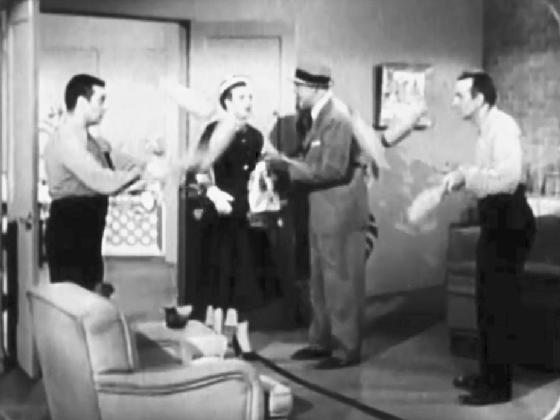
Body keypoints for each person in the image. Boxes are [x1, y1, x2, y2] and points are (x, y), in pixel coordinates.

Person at [443, 70, 535, 405]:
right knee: (486, 304)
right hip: (496, 223)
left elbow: (506, 180)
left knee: (499, 307)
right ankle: (487, 375)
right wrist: (463, 176)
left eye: (459, 96)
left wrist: (466, 176)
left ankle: (498, 387)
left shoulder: (503, 127)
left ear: (479, 98)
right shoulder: (484, 131)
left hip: (509, 224)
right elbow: (488, 177)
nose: (454, 103)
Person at [43, 74, 146, 296]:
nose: (105, 107)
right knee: (73, 302)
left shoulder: (93, 143)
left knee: (91, 297)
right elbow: (101, 180)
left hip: (89, 230)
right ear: (82, 102)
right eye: (101, 100)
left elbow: (123, 163)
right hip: (69, 232)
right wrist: (135, 174)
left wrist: (144, 169)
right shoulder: (66, 140)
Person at [193, 75, 265, 312]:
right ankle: (215, 328)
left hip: (245, 212)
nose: (248, 103)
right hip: (220, 211)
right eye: (241, 98)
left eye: (250, 97)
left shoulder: (255, 136)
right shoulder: (213, 131)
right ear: (227, 103)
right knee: (220, 275)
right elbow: (199, 170)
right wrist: (213, 193)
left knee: (244, 276)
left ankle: (241, 330)